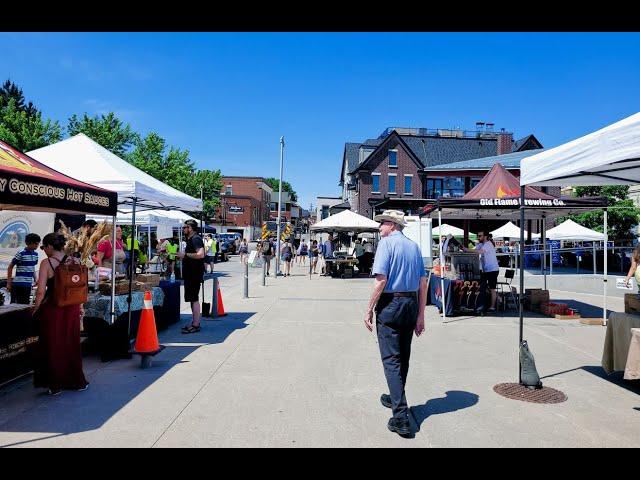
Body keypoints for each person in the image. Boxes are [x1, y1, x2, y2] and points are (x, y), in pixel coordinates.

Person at [364, 210, 427, 437]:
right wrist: (421, 315)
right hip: (410, 302)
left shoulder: (387, 244)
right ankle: (395, 395)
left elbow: (381, 281)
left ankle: (400, 416)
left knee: (391, 359)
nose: (380, 228)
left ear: (391, 225)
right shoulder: (414, 246)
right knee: (403, 354)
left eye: (382, 224)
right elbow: (423, 283)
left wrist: (369, 309)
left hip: (391, 303)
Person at [32, 233, 89, 395]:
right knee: (71, 343)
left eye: (44, 247)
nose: (44, 250)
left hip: (54, 308)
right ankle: (77, 381)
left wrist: (36, 308)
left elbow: (41, 291)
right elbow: (81, 286)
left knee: (52, 345)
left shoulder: (46, 263)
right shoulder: (75, 260)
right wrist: (80, 306)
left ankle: (55, 385)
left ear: (50, 246)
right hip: (71, 307)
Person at [177, 220, 205, 334]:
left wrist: (185, 255)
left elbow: (201, 254)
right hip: (190, 274)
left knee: (194, 298)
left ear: (190, 228)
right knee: (192, 298)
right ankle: (195, 322)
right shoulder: (191, 239)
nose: (183, 229)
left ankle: (196, 324)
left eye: (185, 227)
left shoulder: (196, 239)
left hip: (194, 274)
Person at [463, 230, 500, 312]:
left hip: (492, 270)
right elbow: (474, 249)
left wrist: (466, 249)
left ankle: (493, 306)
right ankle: (491, 302)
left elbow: (479, 251)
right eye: (478, 236)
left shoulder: (488, 244)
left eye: (480, 236)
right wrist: (465, 249)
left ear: (485, 236)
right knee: (483, 287)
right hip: (486, 270)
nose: (478, 237)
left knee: (492, 288)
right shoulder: (481, 244)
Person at [7, 233, 40, 305]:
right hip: (18, 285)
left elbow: (32, 267)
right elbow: (10, 267)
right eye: (36, 244)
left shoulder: (36, 255)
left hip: (28, 285)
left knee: (24, 306)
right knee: (14, 306)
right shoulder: (21, 253)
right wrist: (9, 283)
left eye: (37, 244)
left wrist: (36, 278)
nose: (37, 246)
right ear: (29, 243)